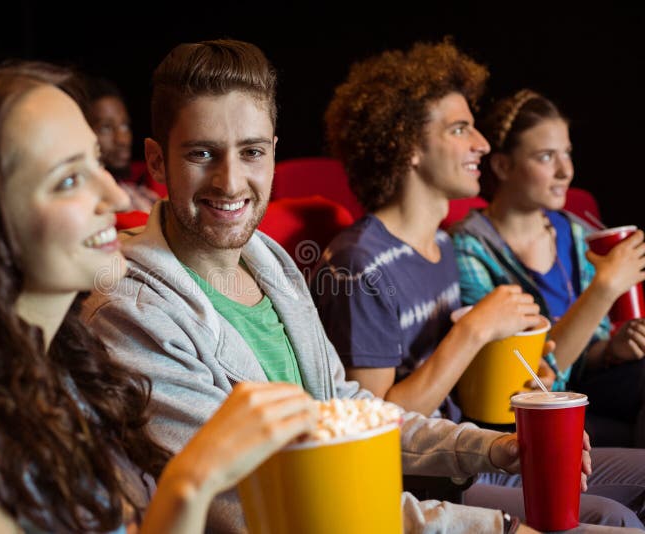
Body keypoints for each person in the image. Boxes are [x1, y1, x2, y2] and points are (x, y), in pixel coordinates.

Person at [81, 38, 621, 534]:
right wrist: (488, 527)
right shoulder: (132, 310)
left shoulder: (270, 261)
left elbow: (344, 409)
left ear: (272, 152)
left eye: (250, 152)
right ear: (156, 160)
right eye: (201, 153)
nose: (229, 180)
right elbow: (255, 503)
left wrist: (487, 447)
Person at [0, 64, 320, 533]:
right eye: (69, 180)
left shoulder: (65, 372)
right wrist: (193, 480)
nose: (114, 196)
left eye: (96, 161)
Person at [310, 40, 645, 527]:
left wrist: (535, 372)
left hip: (479, 447)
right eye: (460, 129)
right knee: (614, 521)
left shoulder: (440, 247)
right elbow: (372, 427)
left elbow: (475, 386)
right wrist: (475, 330)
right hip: (427, 480)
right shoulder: (360, 264)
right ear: (407, 146)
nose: (483, 145)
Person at [449, 89, 645, 447]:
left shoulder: (576, 232)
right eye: (545, 157)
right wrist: (605, 288)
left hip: (586, 389)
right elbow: (527, 374)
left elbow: (589, 353)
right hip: (526, 406)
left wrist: (612, 349)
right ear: (503, 166)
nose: (565, 171)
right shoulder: (469, 247)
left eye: (567, 153)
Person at [84, 75, 162, 211]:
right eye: (106, 128)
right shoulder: (87, 201)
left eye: (124, 126)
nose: (122, 140)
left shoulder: (154, 173)